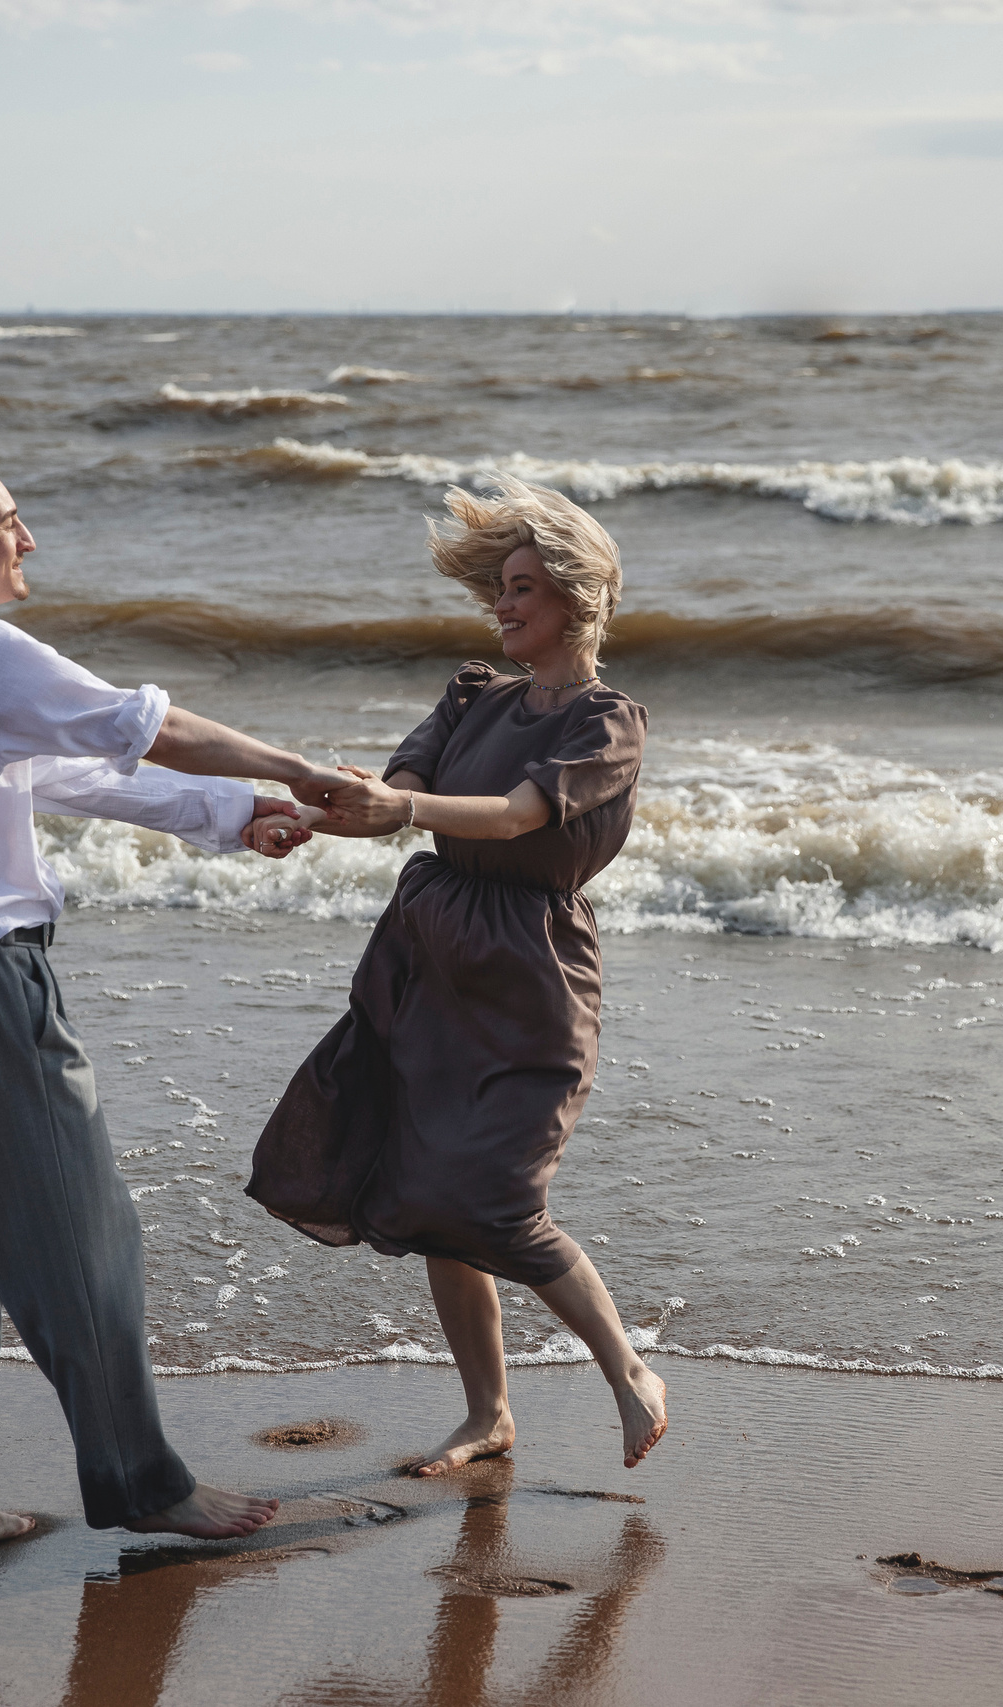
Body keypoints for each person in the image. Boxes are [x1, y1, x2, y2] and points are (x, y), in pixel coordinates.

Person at [0, 422, 335, 1559]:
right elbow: (146, 727)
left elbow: (72, 771)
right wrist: (293, 770)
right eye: (6, 520)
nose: (27, 536)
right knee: (93, 1242)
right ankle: (144, 1483)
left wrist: (236, 821)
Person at [249, 474, 668, 1476]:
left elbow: (525, 816)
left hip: (529, 973)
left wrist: (407, 816)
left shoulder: (606, 722)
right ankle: (488, 1416)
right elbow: (399, 788)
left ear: (576, 595)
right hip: (425, 956)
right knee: (432, 1194)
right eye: (500, 585)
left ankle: (627, 1373)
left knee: (498, 1198)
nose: (502, 601)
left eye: (523, 585)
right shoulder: (474, 692)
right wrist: (324, 809)